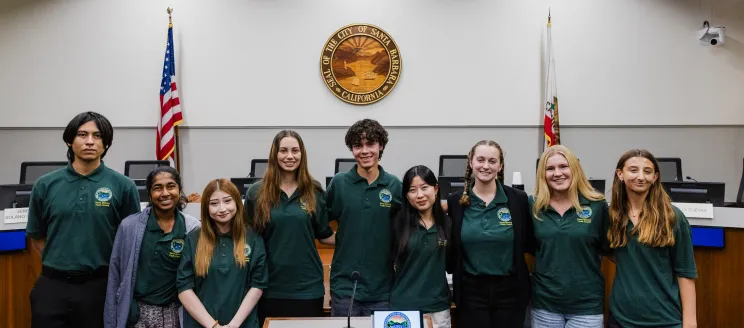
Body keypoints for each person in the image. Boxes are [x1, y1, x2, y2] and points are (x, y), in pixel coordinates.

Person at [26, 111, 141, 328]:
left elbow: (130, 242)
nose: (90, 141)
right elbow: (37, 237)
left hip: (100, 288)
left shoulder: (124, 186)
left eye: (97, 136)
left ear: (106, 144)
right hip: (52, 287)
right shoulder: (45, 184)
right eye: (82, 134)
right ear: (70, 141)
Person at [244, 130, 335, 324]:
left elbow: (324, 235)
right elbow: (247, 240)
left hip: (307, 287)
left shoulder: (314, 190)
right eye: (283, 150)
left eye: (295, 150)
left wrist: (360, 237)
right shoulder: (256, 192)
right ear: (274, 154)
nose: (290, 156)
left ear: (302, 154)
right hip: (268, 286)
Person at [446, 140, 533, 328]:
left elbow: (528, 241)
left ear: (500, 166)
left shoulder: (518, 200)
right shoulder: (456, 201)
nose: (486, 166)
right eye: (480, 160)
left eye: (492, 161)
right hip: (470, 291)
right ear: (471, 162)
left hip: (510, 290)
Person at [607, 149, 697, 328]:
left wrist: (690, 323)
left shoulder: (673, 217)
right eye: (633, 170)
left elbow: (685, 273)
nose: (641, 177)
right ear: (620, 174)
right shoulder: (612, 216)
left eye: (647, 171)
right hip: (620, 319)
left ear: (655, 177)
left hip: (664, 320)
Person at [104, 166, 201, 328]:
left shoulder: (192, 228)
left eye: (171, 186)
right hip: (137, 313)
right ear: (149, 193)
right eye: (157, 188)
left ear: (179, 189)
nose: (165, 193)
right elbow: (115, 275)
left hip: (175, 312)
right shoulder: (130, 226)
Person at [326, 118, 402, 316]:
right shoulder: (339, 183)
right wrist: (344, 239)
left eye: (371, 144)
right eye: (358, 146)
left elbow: (407, 228)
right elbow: (320, 225)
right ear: (352, 149)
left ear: (381, 146)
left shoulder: (394, 185)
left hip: (382, 289)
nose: (365, 151)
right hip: (344, 288)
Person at [528, 145, 608, 328]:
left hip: (587, 305)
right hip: (545, 304)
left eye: (563, 166)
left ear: (575, 169)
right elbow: (530, 247)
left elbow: (607, 248)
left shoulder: (597, 205)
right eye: (550, 168)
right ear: (542, 174)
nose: (557, 173)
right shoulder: (533, 204)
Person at [177, 179, 267, 328]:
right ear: (206, 207)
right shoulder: (193, 239)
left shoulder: (253, 238)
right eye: (214, 203)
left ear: (237, 202)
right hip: (202, 324)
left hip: (243, 324)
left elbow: (257, 285)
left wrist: (233, 325)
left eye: (227, 201)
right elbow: (184, 288)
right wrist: (213, 326)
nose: (222, 208)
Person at [390, 165, 452, 328]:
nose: (420, 195)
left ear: (436, 188)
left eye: (425, 188)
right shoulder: (397, 224)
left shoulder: (447, 223)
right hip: (403, 309)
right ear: (406, 195)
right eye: (412, 190)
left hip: (438, 309)